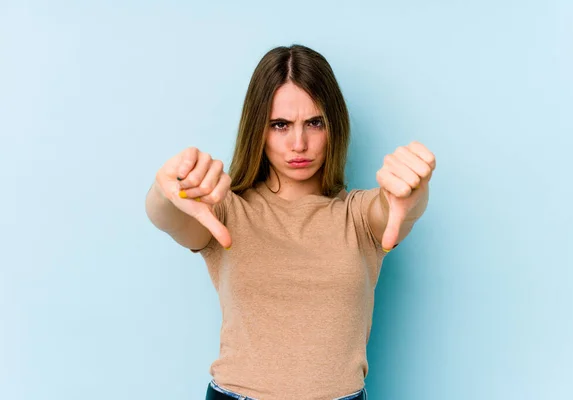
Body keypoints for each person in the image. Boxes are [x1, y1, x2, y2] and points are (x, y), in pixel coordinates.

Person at [145, 44, 436, 400]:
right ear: (258, 130)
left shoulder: (358, 216)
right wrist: (165, 189)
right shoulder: (225, 210)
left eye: (314, 123)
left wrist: (414, 192)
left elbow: (396, 210)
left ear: (334, 126)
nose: (299, 143)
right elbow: (167, 215)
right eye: (280, 125)